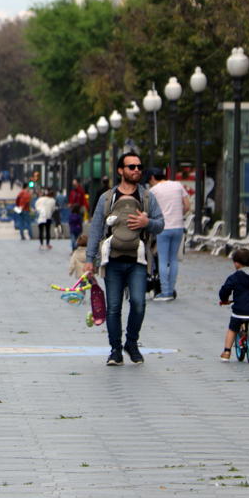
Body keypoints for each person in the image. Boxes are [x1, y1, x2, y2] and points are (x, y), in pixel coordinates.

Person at [85, 153, 165, 366]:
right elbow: (95, 230)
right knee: (113, 307)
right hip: (112, 260)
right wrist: (88, 260)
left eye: (139, 166)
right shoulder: (107, 197)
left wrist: (146, 222)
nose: (136, 170)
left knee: (138, 303)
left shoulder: (147, 197)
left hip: (138, 260)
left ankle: (131, 342)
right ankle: (115, 350)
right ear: (120, 170)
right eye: (131, 167)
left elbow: (160, 224)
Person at [147, 168, 191, 301]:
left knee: (163, 260)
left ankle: (165, 292)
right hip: (178, 227)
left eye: (149, 181)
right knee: (173, 259)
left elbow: (148, 210)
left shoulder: (153, 191)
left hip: (163, 228)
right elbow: (188, 205)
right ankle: (171, 290)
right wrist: (178, 215)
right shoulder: (177, 185)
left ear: (153, 178)